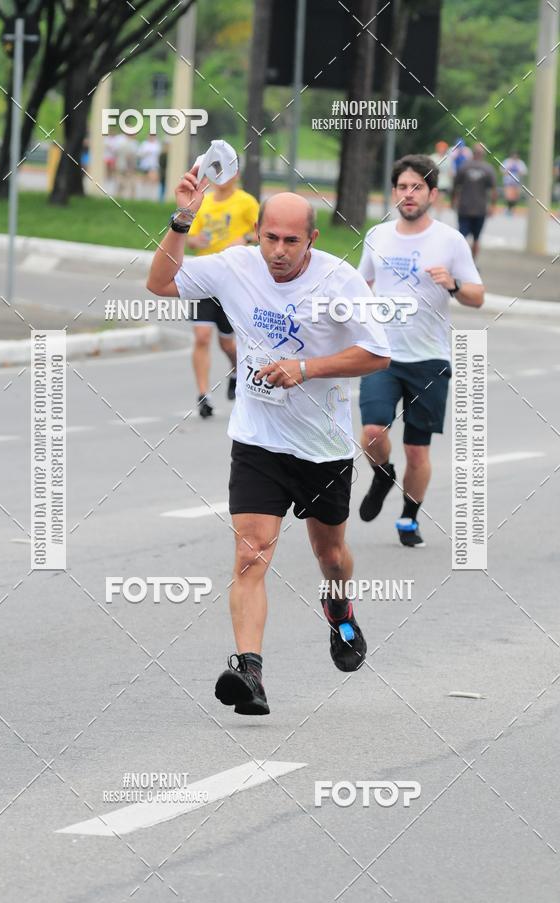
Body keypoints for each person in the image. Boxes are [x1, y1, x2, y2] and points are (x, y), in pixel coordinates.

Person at [146, 169, 391, 715]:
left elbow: (377, 353)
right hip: (258, 441)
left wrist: (307, 367)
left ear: (312, 241)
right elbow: (160, 283)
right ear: (257, 232)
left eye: (291, 241)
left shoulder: (340, 281)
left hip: (322, 446)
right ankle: (250, 670)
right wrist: (181, 220)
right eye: (270, 238)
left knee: (330, 556)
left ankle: (340, 610)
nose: (278, 251)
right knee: (249, 556)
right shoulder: (235, 266)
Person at [357, 154, 484, 548]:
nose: (408, 195)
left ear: (432, 192)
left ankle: (409, 517)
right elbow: (362, 285)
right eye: (401, 187)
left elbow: (477, 297)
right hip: (383, 354)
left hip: (429, 359)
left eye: (416, 187)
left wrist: (452, 284)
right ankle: (382, 474)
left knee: (417, 450)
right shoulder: (378, 236)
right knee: (373, 432)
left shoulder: (449, 240)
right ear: (393, 192)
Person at [185, 169, 259, 417]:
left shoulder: (246, 202)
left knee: (227, 342)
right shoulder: (202, 202)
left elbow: (266, 232)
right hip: (203, 278)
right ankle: (203, 395)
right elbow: (190, 236)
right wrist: (195, 242)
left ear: (237, 174)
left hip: (232, 280)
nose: (222, 177)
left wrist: (245, 238)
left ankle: (236, 370)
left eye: (228, 172)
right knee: (202, 336)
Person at [452, 143, 497, 259]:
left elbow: (456, 186)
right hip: (480, 209)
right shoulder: (488, 169)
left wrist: (454, 201)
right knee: (476, 239)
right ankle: (472, 264)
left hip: (464, 208)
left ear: (473, 153)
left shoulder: (464, 166)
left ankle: (460, 262)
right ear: (484, 154)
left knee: (462, 238)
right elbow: (493, 191)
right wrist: (492, 206)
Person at [430, 140, 453, 217]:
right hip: (435, 181)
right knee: (434, 198)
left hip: (444, 182)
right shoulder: (433, 157)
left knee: (441, 198)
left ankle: (438, 215)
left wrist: (451, 181)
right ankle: (433, 214)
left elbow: (450, 171)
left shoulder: (448, 159)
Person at [500, 151, 527, 215]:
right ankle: (508, 208)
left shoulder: (520, 163)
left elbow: (524, 172)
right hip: (508, 182)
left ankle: (512, 209)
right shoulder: (507, 162)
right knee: (508, 196)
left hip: (517, 182)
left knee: (515, 197)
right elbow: (502, 171)